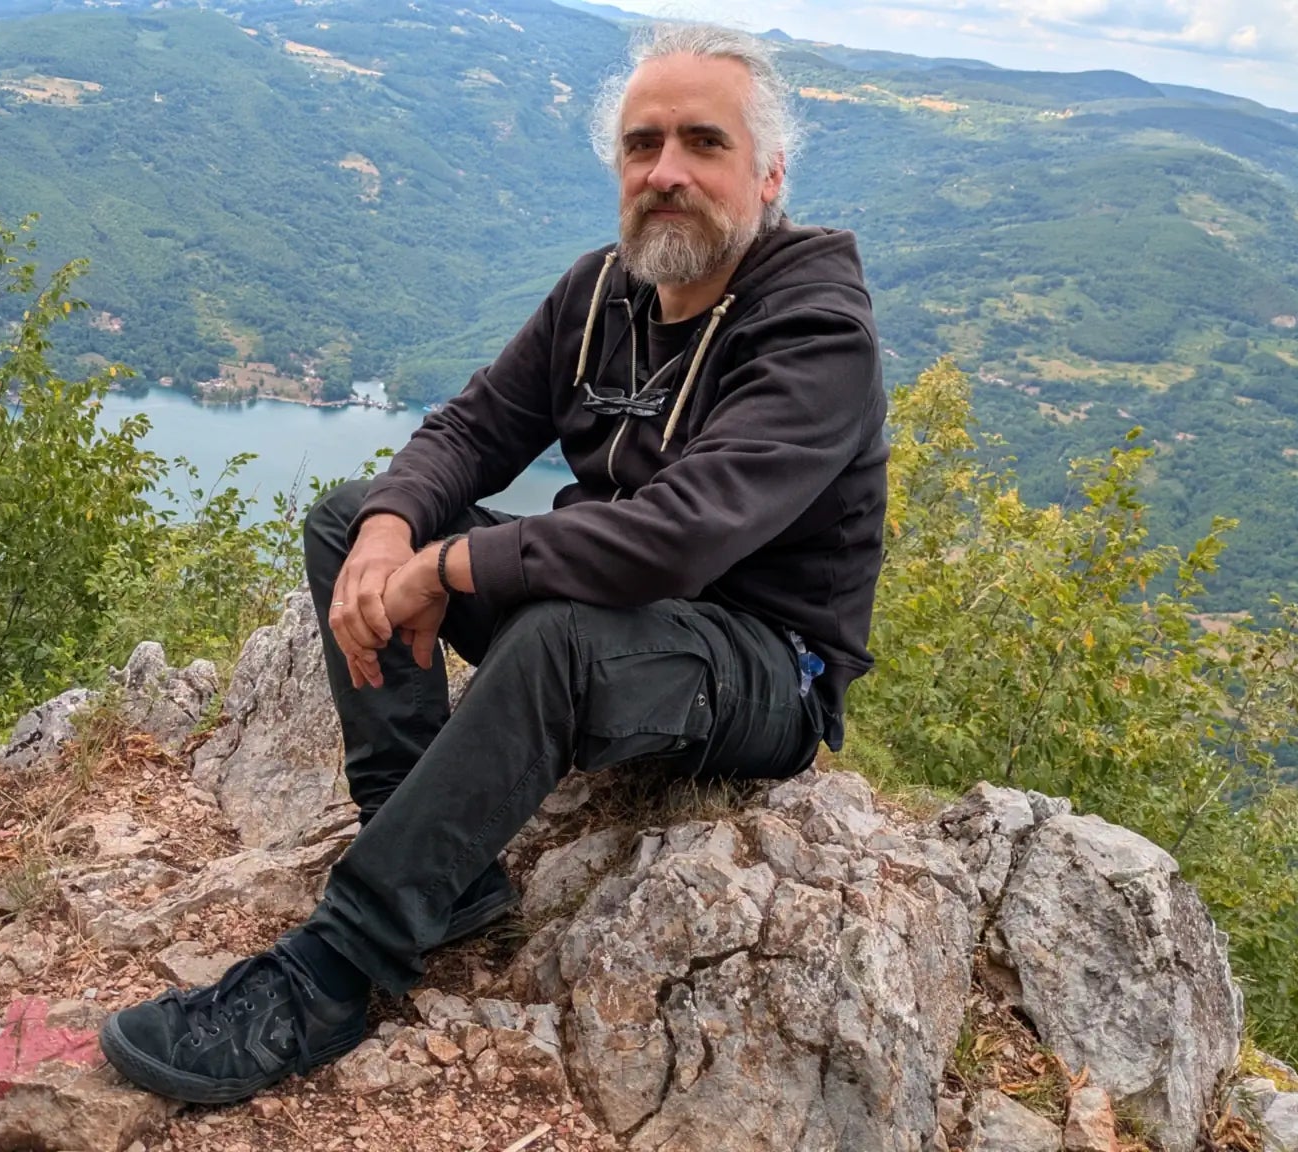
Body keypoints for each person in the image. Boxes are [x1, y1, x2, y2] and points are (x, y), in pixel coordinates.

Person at [100, 21, 889, 1105]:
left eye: (703, 143)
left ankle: (333, 973)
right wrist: (393, 530)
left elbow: (676, 535)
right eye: (642, 145)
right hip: (610, 622)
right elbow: (472, 430)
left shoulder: (815, 332)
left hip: (759, 665)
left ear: (767, 174)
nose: (665, 171)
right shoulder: (600, 293)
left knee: (555, 631)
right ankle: (433, 855)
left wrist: (446, 569)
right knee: (348, 520)